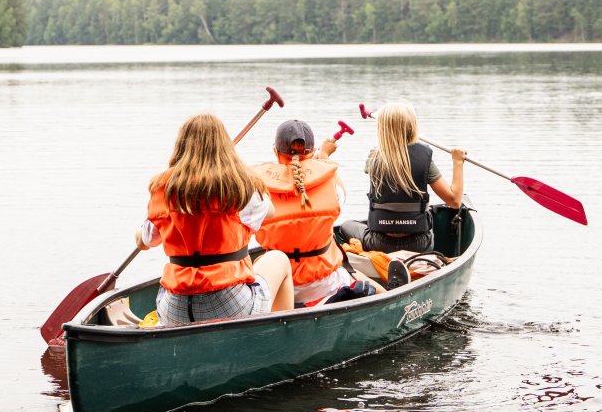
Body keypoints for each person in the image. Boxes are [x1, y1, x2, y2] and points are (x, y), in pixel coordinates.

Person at [134, 113, 295, 325]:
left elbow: (143, 242)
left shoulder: (163, 188)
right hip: (228, 305)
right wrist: (243, 174)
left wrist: (143, 230)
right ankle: (277, 338)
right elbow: (271, 212)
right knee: (278, 258)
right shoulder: (240, 187)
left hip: (175, 308)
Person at [253, 120, 383, 306]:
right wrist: (324, 157)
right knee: (350, 271)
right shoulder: (333, 185)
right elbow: (335, 192)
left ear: (275, 152)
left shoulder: (257, 191)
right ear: (312, 152)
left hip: (280, 285)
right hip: (325, 283)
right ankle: (394, 298)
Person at [337, 101, 466, 259]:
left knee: (345, 226)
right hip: (419, 246)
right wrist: (457, 162)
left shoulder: (373, 158)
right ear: (412, 128)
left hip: (379, 244)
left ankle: (382, 262)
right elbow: (454, 201)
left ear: (382, 130)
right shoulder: (424, 160)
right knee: (432, 215)